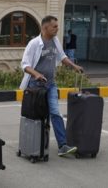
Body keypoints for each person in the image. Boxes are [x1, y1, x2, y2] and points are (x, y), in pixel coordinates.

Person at [20, 15, 83, 157]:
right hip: (36, 86)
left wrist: (74, 66)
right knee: (37, 117)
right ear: (45, 27)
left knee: (55, 112)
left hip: (50, 84)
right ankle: (35, 143)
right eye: (54, 26)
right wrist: (36, 74)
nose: (57, 28)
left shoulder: (55, 41)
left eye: (57, 26)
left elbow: (62, 57)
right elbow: (25, 64)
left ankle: (62, 145)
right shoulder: (34, 43)